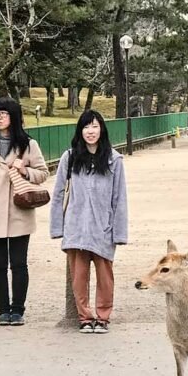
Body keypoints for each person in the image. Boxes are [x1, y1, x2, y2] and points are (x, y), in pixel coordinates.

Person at [0, 98, 49, 326]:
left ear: (13, 116)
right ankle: (3, 310)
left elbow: (43, 173)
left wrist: (25, 170)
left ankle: (18, 310)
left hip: (19, 210)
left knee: (19, 263)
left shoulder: (28, 144)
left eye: (3, 113)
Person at [50, 110, 128, 334]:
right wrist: (57, 228)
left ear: (101, 129)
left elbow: (119, 198)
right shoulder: (70, 156)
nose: (90, 131)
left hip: (103, 227)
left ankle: (103, 317)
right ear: (80, 130)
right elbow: (58, 193)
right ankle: (85, 317)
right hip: (76, 226)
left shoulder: (114, 159)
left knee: (105, 277)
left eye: (94, 126)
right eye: (86, 127)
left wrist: (119, 232)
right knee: (79, 276)